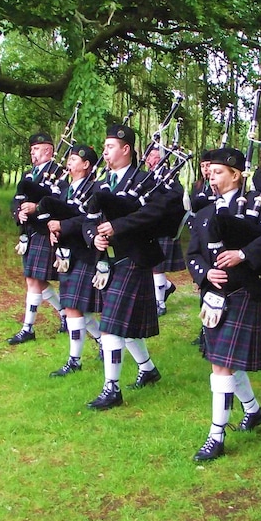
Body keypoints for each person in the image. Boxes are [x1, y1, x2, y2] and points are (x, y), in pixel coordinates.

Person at [186, 147, 261, 461]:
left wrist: (243, 254)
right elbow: (193, 254)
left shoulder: (254, 205)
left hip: (242, 292)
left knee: (221, 364)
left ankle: (216, 435)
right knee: (223, 361)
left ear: (235, 174)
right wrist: (205, 272)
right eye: (210, 172)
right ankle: (252, 410)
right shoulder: (204, 213)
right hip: (214, 297)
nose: (211, 177)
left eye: (218, 172)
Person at [82, 124, 170, 410]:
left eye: (109, 147)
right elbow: (87, 218)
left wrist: (117, 226)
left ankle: (112, 389)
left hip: (133, 258)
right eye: (105, 147)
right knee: (122, 325)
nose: (105, 152)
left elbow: (155, 213)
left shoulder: (145, 180)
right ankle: (148, 369)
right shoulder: (101, 183)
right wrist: (93, 237)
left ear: (126, 149)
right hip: (107, 260)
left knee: (111, 325)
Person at [45, 144, 104, 376]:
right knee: (75, 307)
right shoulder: (65, 189)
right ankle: (100, 340)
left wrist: (63, 225)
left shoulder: (94, 189)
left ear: (86, 164)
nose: (68, 163)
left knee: (73, 307)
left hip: (84, 252)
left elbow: (89, 220)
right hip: (66, 254)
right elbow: (57, 215)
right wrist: (53, 231)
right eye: (68, 159)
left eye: (73, 160)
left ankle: (74, 361)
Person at [6, 133, 65, 345]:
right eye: (32, 149)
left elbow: (59, 200)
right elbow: (16, 199)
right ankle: (64, 314)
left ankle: (28, 328)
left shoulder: (59, 173)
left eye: (37, 149)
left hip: (44, 230)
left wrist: (37, 207)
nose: (33, 152)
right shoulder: (28, 174)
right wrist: (18, 213)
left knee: (33, 279)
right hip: (28, 232)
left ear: (48, 150)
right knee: (35, 279)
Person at [144, 147, 182, 316]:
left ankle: (160, 303)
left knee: (156, 267)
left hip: (163, 224)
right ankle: (166, 286)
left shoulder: (170, 176)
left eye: (155, 156)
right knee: (149, 264)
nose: (151, 159)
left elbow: (175, 198)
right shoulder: (145, 176)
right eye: (150, 156)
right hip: (147, 224)